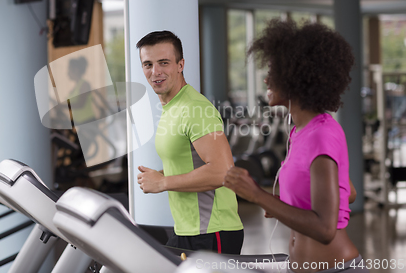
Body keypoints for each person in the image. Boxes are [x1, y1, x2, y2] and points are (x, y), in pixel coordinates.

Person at [224, 19, 368, 272]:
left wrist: (258, 196)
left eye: (274, 72)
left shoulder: (321, 135)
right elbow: (348, 192)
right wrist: (281, 204)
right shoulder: (299, 131)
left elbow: (325, 229)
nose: (267, 80)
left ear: (296, 76)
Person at [136, 30, 244, 254]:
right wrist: (163, 173)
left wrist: (163, 183)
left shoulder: (195, 108)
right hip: (187, 230)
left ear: (180, 64)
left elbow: (222, 172)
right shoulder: (171, 107)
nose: (155, 72)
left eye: (163, 62)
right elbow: (191, 160)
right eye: (148, 64)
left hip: (213, 231)